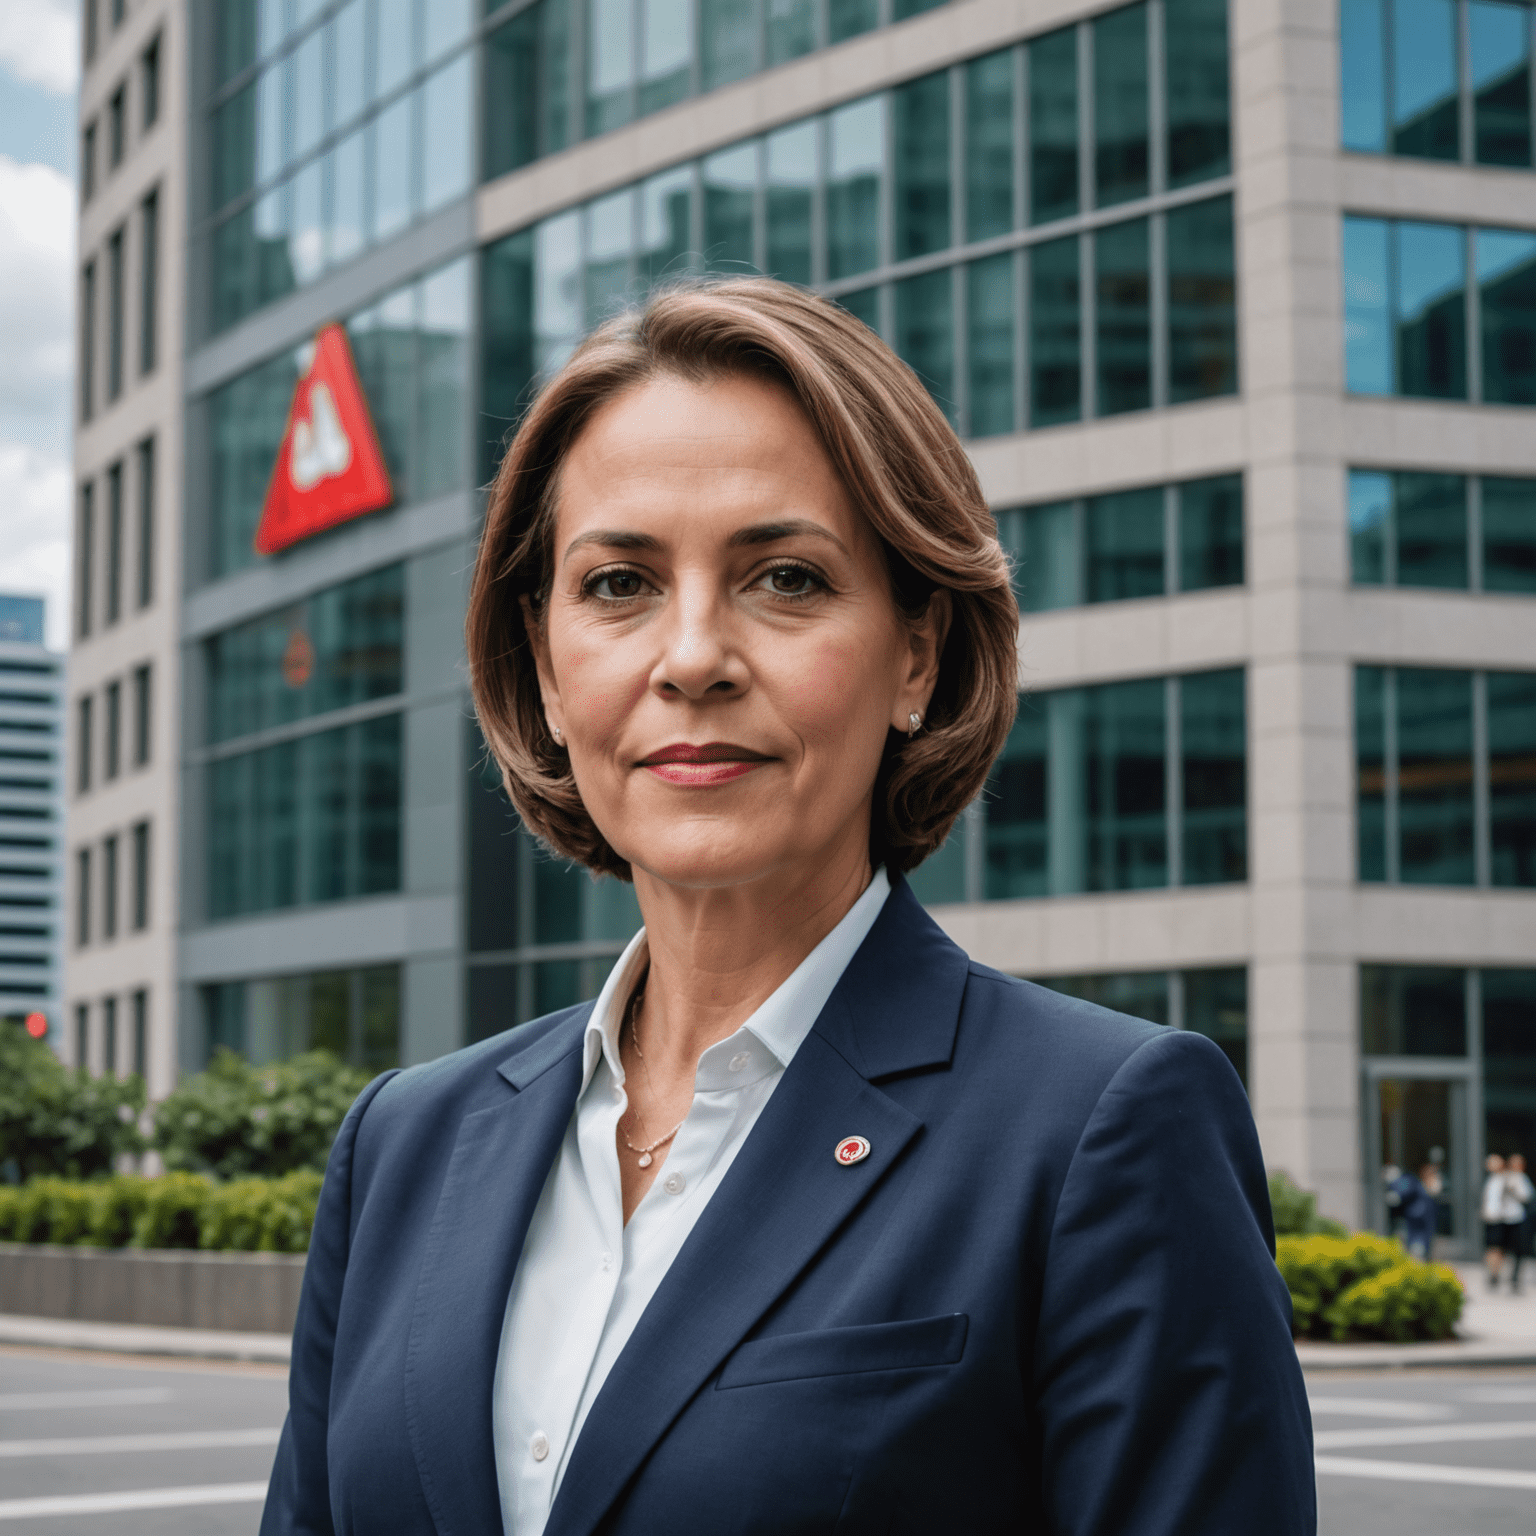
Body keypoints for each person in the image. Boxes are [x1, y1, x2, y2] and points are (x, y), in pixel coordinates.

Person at [260, 278, 1315, 1535]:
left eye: (788, 579)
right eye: (616, 585)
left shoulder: (1104, 1131)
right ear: (543, 669)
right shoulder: (403, 1144)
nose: (693, 654)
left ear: (916, 654)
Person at [1387, 1163, 1439, 1260]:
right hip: (1415, 1237)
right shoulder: (1413, 1187)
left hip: (1420, 1237)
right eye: (1435, 1176)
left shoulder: (1425, 1196)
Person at [1482, 1153, 1514, 1289]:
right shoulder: (1490, 1180)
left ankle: (1495, 1274)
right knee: (1492, 1248)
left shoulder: (1506, 1179)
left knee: (1497, 1248)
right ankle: (1493, 1273)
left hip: (1500, 1219)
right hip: (1490, 1218)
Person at [1504, 1153, 1534, 1294]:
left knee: (1520, 1250)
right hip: (1508, 1220)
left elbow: (1528, 1196)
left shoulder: (1523, 1178)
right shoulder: (1506, 1178)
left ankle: (1516, 1276)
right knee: (1510, 1249)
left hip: (1521, 1219)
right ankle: (1509, 1276)